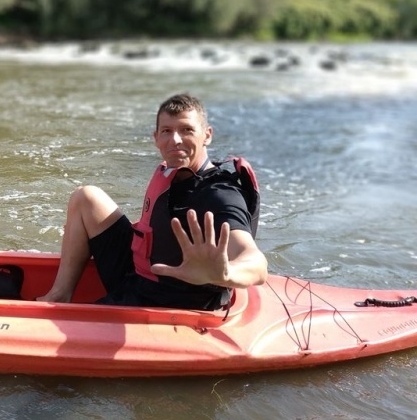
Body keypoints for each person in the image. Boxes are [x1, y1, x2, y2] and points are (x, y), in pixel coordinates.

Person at [37, 93, 267, 310]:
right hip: (140, 271)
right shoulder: (174, 171)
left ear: (207, 135)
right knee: (86, 198)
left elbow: (256, 264)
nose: (175, 140)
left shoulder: (219, 194)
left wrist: (223, 275)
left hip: (167, 298)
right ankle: (59, 294)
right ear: (155, 138)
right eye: (167, 131)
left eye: (186, 130)